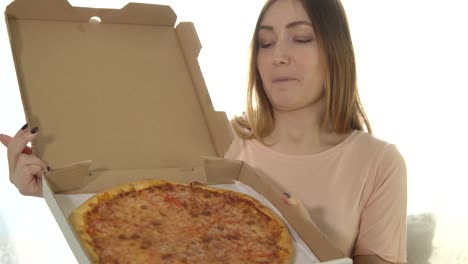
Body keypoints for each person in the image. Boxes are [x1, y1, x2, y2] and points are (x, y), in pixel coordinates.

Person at [1, 0, 407, 263]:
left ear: (336, 52)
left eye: (300, 38)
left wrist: (304, 232)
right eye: (265, 44)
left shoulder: (378, 163)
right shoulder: (214, 140)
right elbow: (121, 188)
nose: (279, 56)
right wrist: (48, 190)